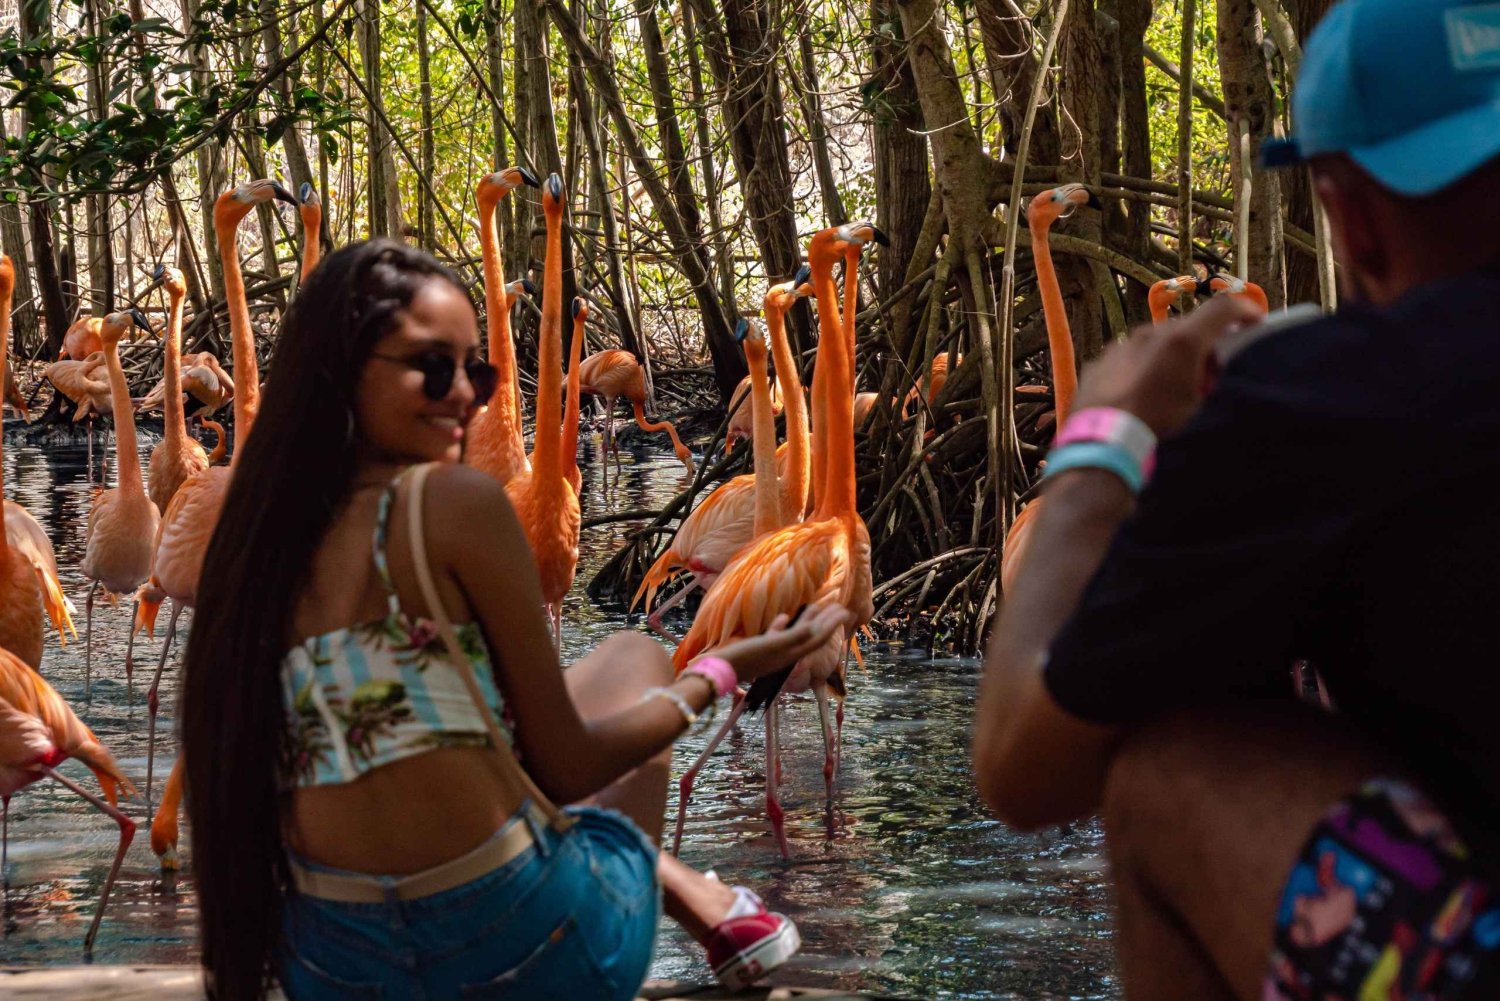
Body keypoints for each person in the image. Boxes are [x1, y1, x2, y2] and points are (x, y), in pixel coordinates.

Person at [972, 1, 1500, 997]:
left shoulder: (1330, 398)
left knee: (1170, 763)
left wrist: (1104, 434)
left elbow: (1019, 767)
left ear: (1349, 214)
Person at [180, 239, 851, 1000]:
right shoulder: (455, 505)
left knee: (452, 712)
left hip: (328, 964)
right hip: (511, 953)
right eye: (434, 367)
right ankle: (693, 894)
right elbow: (566, 764)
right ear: (341, 365)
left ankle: (691, 892)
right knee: (634, 654)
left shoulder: (253, 535)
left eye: (481, 371)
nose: (467, 394)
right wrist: (718, 672)